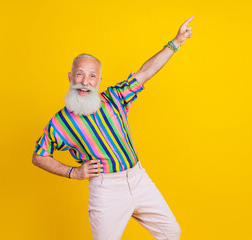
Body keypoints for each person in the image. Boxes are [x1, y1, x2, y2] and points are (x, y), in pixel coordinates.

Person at [32, 16, 194, 240]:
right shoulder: (60, 123)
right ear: (71, 77)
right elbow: (39, 156)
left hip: (138, 178)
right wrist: (73, 172)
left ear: (99, 80)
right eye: (80, 74)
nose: (85, 81)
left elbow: (145, 72)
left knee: (171, 232)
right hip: (106, 189)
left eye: (92, 76)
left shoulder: (115, 98)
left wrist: (176, 41)